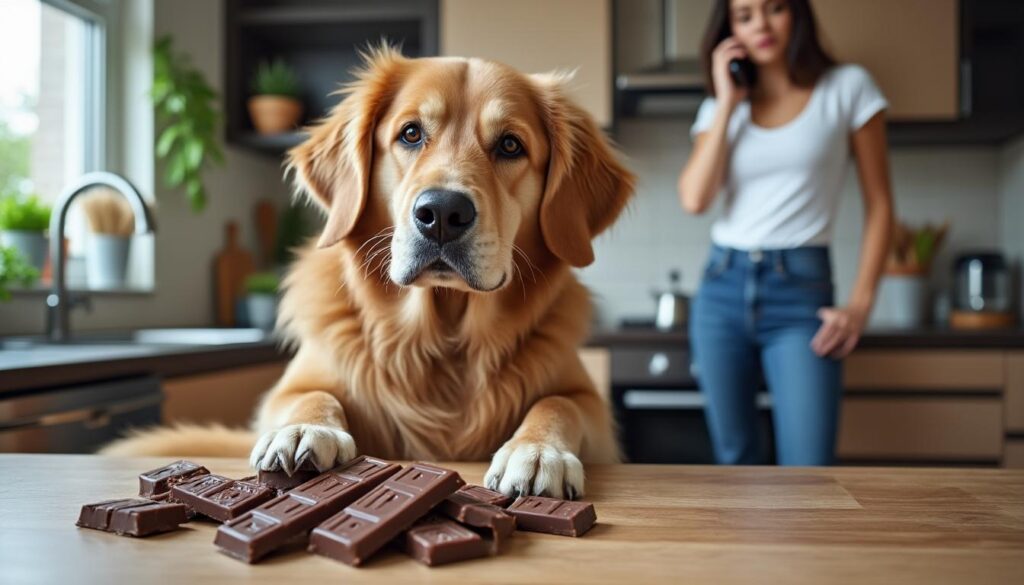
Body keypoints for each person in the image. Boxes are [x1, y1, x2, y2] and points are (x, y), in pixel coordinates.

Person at [678, 0, 893, 465]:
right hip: (722, 287)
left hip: (801, 294)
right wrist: (728, 101)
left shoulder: (848, 87)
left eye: (774, 8)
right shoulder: (720, 107)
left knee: (810, 469)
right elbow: (695, 199)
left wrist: (859, 306)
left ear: (797, 14)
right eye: (745, 15)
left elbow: (880, 205)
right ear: (730, 28)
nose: (761, 24)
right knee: (735, 459)